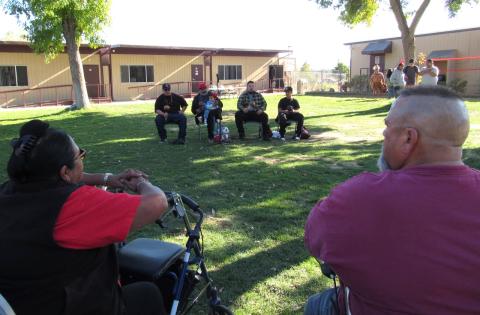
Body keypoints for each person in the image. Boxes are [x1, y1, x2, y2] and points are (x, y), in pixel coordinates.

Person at [304, 86, 480, 315]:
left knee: (318, 304)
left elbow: (314, 238)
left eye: (387, 126)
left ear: (408, 138)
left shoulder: (358, 197)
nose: (384, 135)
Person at [0, 119, 170, 315]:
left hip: (25, 301)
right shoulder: (73, 205)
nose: (82, 158)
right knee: (148, 294)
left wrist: (107, 178)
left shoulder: (9, 191)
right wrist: (141, 182)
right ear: (64, 172)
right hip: (74, 305)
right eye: (80, 155)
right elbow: (157, 202)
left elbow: (73, 176)